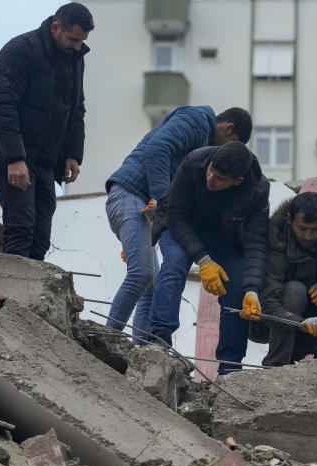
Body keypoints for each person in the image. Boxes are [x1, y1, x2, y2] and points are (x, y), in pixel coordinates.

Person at [104, 107, 252, 343]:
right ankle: (104, 338)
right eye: (230, 143)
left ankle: (143, 355)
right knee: (142, 273)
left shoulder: (202, 146)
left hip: (141, 205)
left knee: (149, 288)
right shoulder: (198, 121)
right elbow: (157, 149)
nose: (222, 152)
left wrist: (148, 235)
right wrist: (161, 198)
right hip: (131, 194)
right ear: (227, 127)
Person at [0, 2, 93, 260]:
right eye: (73, 39)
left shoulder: (74, 58)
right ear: (55, 27)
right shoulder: (20, 50)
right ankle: (12, 297)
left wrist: (73, 154)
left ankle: (31, 298)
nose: (78, 46)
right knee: (21, 228)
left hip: (44, 160)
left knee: (40, 237)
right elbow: (2, 106)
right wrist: (14, 158)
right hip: (8, 155)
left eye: (82, 40)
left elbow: (76, 109)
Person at [148, 142, 268, 372]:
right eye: (211, 169)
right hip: (179, 226)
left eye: (220, 178)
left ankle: (230, 367)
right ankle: (160, 340)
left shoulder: (258, 190)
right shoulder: (196, 161)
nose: (210, 178)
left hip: (222, 238)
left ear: (237, 181)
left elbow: (256, 242)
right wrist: (204, 260)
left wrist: (252, 288)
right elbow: (176, 215)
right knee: (174, 264)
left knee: (238, 291)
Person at [250, 192, 317, 366]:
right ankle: (276, 365)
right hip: (269, 319)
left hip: (312, 317)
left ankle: (316, 363)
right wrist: (301, 323)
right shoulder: (274, 242)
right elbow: (268, 301)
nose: (308, 236)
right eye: (302, 228)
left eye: (315, 229)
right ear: (289, 219)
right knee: (295, 289)